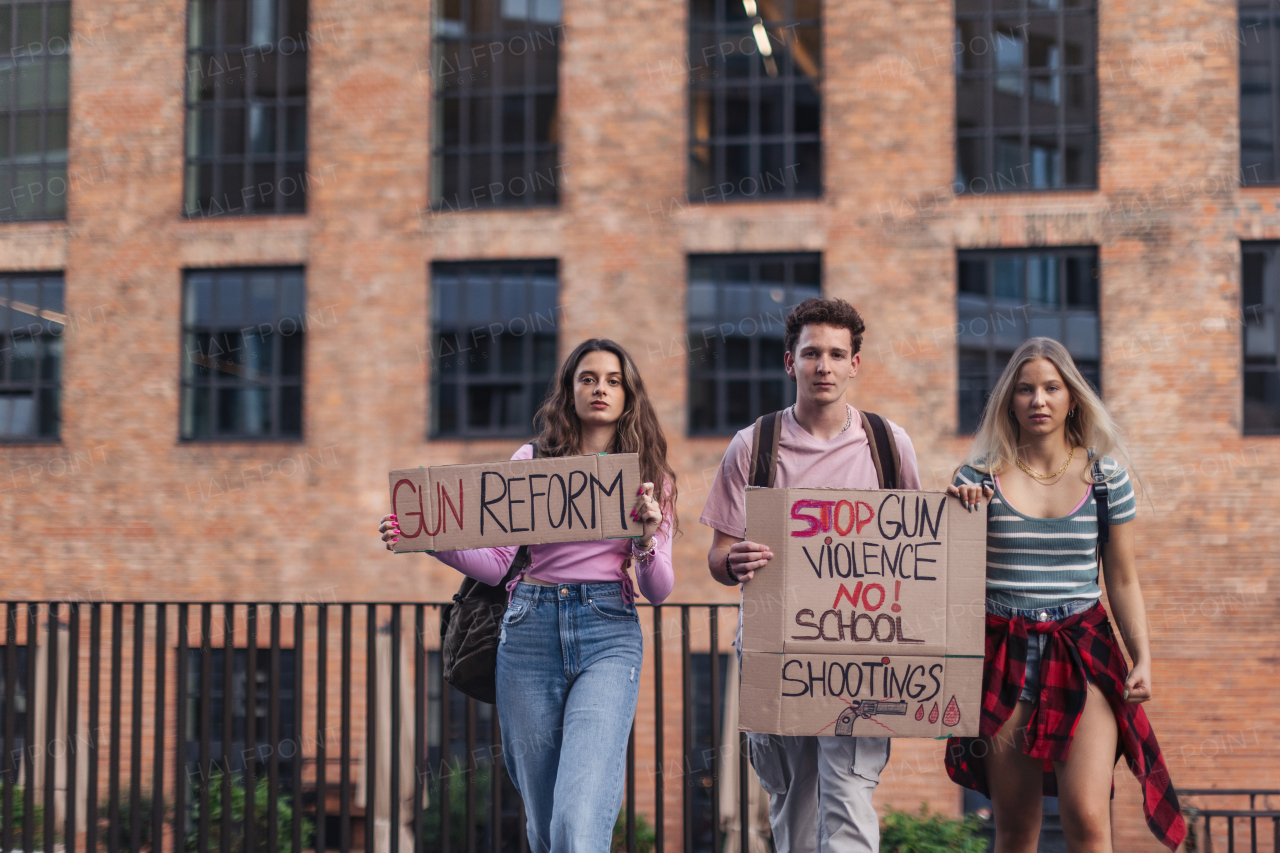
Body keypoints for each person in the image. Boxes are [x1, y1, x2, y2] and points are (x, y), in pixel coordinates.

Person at [378, 339, 678, 853]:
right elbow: (496, 565)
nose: (599, 389)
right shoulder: (533, 460)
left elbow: (658, 590)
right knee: (543, 824)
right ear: (569, 390)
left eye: (612, 380)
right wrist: (427, 536)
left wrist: (646, 540)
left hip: (608, 633)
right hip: (528, 633)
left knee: (577, 818)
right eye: (587, 378)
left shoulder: (649, 476)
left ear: (629, 394)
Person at [944, 337, 1185, 853]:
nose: (1039, 400)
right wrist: (959, 516)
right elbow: (949, 579)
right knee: (1015, 827)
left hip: (1081, 646)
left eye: (1052, 388)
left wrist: (1143, 657)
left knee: (1088, 819)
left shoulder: (1106, 478)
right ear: (1009, 399)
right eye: (1026, 389)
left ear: (1072, 397)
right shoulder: (977, 478)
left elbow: (1121, 578)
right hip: (1002, 648)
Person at [701, 297, 921, 853]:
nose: (823, 365)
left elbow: (921, 549)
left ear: (855, 365)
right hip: (778, 650)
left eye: (836, 354)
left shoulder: (889, 446)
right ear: (789, 361)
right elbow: (718, 553)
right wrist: (735, 561)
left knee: (848, 797)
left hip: (862, 653)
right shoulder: (755, 445)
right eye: (812, 353)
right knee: (794, 803)